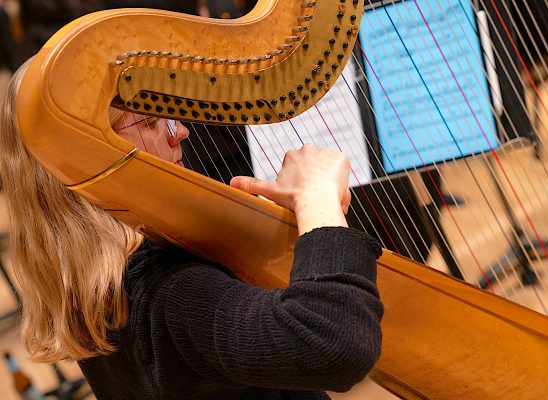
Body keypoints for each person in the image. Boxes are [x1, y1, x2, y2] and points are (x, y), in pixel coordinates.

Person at [0, 61, 383, 400]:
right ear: (89, 157)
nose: (180, 131)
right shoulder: (172, 291)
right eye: (150, 121)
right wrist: (318, 200)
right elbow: (334, 343)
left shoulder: (88, 282)